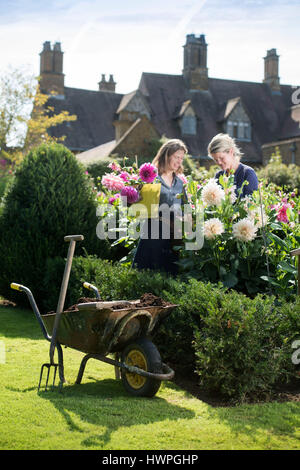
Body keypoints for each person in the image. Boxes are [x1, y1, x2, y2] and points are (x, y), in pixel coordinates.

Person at [132, 139, 188, 275]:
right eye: (176, 157)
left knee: (169, 279)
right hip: (152, 237)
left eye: (181, 158)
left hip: (173, 239)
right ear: (166, 155)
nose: (179, 161)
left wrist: (186, 227)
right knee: (146, 276)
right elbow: (137, 206)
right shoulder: (151, 179)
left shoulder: (180, 183)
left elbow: (186, 209)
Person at [207, 133, 258, 198]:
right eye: (216, 160)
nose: (219, 163)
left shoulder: (247, 174)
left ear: (231, 152)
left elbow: (252, 205)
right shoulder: (218, 176)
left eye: (222, 158)